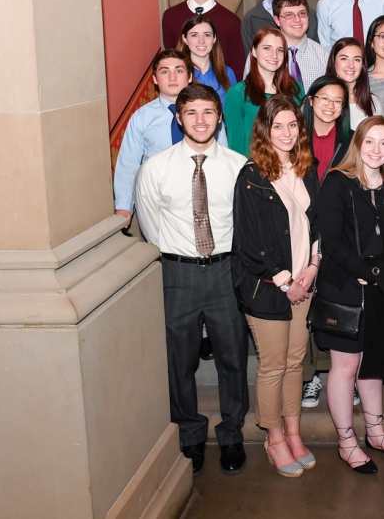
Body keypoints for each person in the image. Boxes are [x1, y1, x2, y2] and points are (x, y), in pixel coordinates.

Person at [134, 83, 249, 477]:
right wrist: (176, 257)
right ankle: (190, 434)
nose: (200, 120)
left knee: (232, 357)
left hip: (225, 270)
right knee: (178, 361)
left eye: (208, 112)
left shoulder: (238, 166)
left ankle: (232, 433)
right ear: (178, 117)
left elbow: (246, 225)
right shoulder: (156, 168)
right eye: (191, 113)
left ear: (219, 117)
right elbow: (150, 225)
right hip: (177, 272)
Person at [315, 117, 384, 474]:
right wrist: (364, 271)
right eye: (370, 142)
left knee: (372, 364)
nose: (376, 150)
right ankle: (346, 442)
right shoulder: (338, 183)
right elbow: (333, 241)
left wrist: (382, 272)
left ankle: (376, 432)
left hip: (379, 286)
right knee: (346, 367)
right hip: (343, 285)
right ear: (357, 143)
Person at [231, 95, 320, 478]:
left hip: (305, 281)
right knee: (272, 366)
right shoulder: (251, 176)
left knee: (295, 363)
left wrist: (314, 267)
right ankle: (275, 437)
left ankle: (295, 433)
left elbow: (318, 225)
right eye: (277, 126)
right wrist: (286, 282)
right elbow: (250, 243)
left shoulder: (307, 167)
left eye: (292, 125)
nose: (286, 133)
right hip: (269, 288)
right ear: (265, 131)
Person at [114, 50, 228, 222]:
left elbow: (223, 154)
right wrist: (124, 205)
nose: (172, 77)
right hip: (158, 201)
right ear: (155, 79)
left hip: (205, 196)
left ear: (189, 76)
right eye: (165, 71)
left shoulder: (206, 114)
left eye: (179, 71)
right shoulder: (142, 117)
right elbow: (128, 164)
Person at [297, 75, 354, 408]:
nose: (331, 106)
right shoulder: (294, 136)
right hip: (299, 232)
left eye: (338, 101)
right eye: (325, 99)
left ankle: (339, 371)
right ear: (311, 100)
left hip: (336, 234)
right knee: (303, 306)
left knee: (332, 304)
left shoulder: (350, 142)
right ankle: (310, 379)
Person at [224, 28, 302, 156]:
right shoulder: (237, 93)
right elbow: (235, 144)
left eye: (280, 50)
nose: (274, 55)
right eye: (267, 48)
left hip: (289, 166)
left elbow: (301, 135)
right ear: (254, 51)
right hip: (253, 168)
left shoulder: (296, 88)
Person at [243, 0, 329, 86]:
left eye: (302, 13)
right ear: (277, 20)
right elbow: (247, 92)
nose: (297, 20)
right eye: (289, 15)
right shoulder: (261, 55)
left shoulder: (324, 56)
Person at [175, 15, 237, 109]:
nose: (201, 41)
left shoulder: (227, 73)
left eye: (207, 35)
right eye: (194, 35)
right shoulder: (178, 74)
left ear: (214, 39)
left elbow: (235, 111)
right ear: (185, 39)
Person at [326, 38, 384, 128]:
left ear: (363, 65)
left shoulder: (374, 103)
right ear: (333, 62)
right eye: (344, 59)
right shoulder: (318, 100)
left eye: (357, 60)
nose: (351, 65)